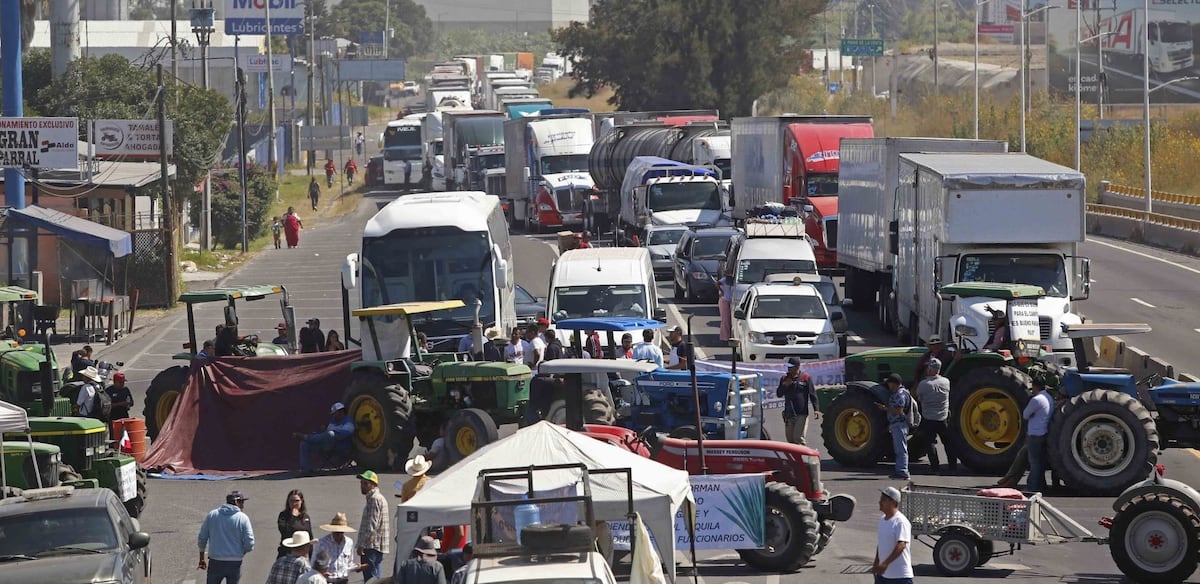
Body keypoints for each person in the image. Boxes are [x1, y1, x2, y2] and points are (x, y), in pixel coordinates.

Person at [197, 490, 255, 584]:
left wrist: (201, 558)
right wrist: (240, 553)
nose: (243, 506)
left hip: (215, 561)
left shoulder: (212, 515)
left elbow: (202, 537)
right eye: (242, 502)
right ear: (236, 502)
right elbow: (250, 543)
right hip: (235, 562)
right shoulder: (243, 518)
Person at [913, 358, 956, 474]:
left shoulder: (924, 384)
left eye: (928, 368)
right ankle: (952, 466)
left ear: (931, 369)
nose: (927, 369)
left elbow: (918, 396)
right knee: (948, 443)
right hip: (943, 418)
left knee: (930, 443)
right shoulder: (946, 382)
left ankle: (935, 468)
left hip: (929, 418)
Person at [297, 402, 356, 474]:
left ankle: (307, 437)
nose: (334, 415)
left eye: (335, 413)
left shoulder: (348, 422)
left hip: (340, 446)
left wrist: (331, 432)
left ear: (341, 411)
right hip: (327, 444)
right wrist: (325, 431)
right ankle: (306, 470)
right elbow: (327, 433)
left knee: (330, 434)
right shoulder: (333, 421)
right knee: (304, 444)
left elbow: (343, 434)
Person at [873, 486, 914, 584]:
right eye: (881, 499)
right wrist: (876, 562)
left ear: (894, 503)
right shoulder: (882, 519)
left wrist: (885, 564)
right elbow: (882, 543)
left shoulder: (900, 522)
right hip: (883, 576)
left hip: (900, 577)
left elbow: (901, 545)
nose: (880, 502)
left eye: (883, 500)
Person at [1022, 370, 1055, 492]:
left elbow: (1025, 414)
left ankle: (1031, 487)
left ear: (1035, 386)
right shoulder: (1048, 397)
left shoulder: (1037, 400)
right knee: (1040, 462)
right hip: (1044, 432)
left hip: (1035, 434)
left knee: (1034, 463)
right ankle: (1042, 486)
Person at [876, 373, 913, 479]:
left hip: (900, 425)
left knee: (901, 450)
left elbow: (899, 410)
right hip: (897, 424)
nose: (888, 385)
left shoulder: (900, 394)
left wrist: (885, 408)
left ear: (894, 384)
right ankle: (901, 471)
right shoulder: (900, 392)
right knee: (899, 449)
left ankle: (902, 472)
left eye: (890, 383)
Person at [777, 358, 820, 445]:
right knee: (790, 439)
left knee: (798, 438)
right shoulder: (784, 378)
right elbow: (779, 394)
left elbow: (812, 394)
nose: (789, 369)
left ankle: (804, 457)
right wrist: (785, 385)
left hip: (801, 413)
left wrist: (816, 409)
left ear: (797, 367)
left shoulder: (805, 377)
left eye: (791, 367)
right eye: (788, 367)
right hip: (789, 413)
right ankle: (793, 458)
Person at [357, 470, 390, 581]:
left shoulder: (374, 499)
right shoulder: (376, 498)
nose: (362, 486)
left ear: (374, 485)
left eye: (365, 483)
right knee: (374, 575)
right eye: (361, 483)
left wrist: (362, 544)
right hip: (375, 545)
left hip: (371, 545)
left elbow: (372, 524)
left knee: (371, 578)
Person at [313, 512, 362, 584]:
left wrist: (357, 567)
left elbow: (348, 563)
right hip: (327, 581)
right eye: (336, 532)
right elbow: (313, 564)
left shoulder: (349, 542)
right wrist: (321, 573)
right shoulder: (322, 543)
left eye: (341, 532)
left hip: (343, 580)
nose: (338, 534)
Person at [276, 489, 313, 558]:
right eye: (291, 501)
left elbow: (309, 535)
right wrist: (293, 517)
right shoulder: (283, 516)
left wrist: (311, 555)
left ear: (301, 501)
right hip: (287, 553)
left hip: (303, 553)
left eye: (297, 501)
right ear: (288, 502)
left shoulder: (305, 516)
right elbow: (285, 531)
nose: (294, 503)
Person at [718, 275, 734, 342]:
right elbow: (717, 283)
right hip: (724, 300)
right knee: (725, 320)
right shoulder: (724, 279)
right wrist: (721, 291)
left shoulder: (733, 280)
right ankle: (725, 337)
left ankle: (729, 335)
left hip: (730, 301)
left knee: (730, 319)